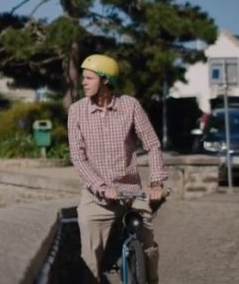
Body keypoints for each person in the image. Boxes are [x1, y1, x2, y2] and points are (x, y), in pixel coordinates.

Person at [68, 54, 167, 283]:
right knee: (89, 256)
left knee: (148, 240)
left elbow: (152, 145)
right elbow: (78, 157)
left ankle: (150, 279)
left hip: (131, 192)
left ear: (105, 80)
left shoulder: (130, 105)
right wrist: (101, 187)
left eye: (89, 78)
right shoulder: (77, 111)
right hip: (97, 197)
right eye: (83, 78)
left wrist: (156, 182)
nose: (83, 82)